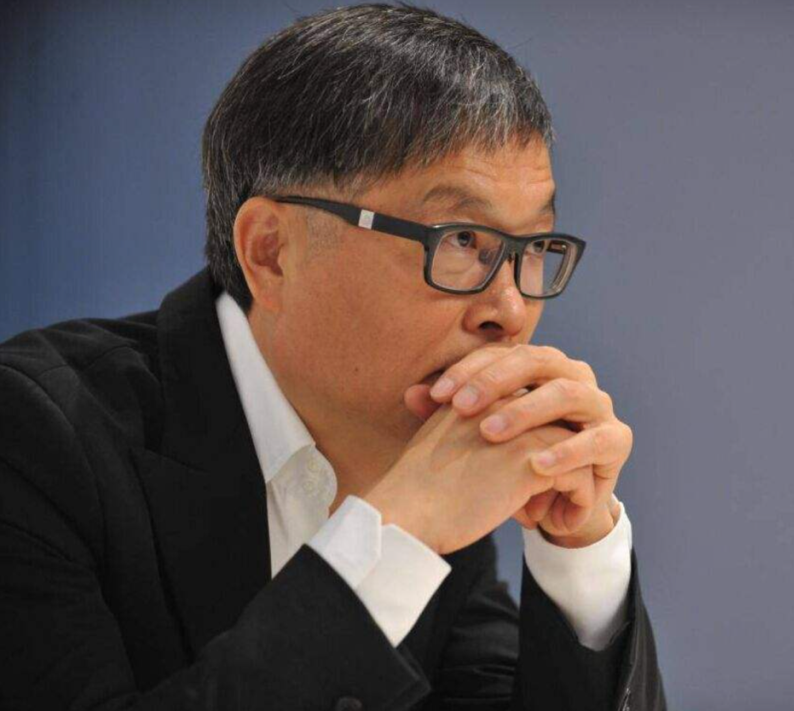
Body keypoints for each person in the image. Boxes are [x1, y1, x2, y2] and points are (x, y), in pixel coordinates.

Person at [0, 4, 666, 709]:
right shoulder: (33, 439)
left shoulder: (428, 469)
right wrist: (401, 530)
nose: (510, 309)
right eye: (461, 240)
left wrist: (581, 557)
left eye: (532, 247)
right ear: (272, 252)